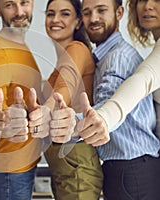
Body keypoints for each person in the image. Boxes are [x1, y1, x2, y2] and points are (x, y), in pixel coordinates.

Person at [74, 0, 160, 199]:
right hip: (137, 167)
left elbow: (142, 81)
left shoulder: (118, 57)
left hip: (133, 168)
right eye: (141, 0)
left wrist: (102, 117)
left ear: (119, 12)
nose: (147, 6)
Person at [0, 0, 53, 199]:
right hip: (9, 170)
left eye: (24, 3)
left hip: (21, 164)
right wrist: (6, 117)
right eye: (10, 5)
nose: (19, 12)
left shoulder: (19, 45)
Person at [42, 0, 103, 199]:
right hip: (65, 163)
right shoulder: (62, 58)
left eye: (65, 14)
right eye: (50, 14)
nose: (55, 19)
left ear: (78, 22)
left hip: (76, 162)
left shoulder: (76, 48)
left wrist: (46, 109)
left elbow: (64, 86)